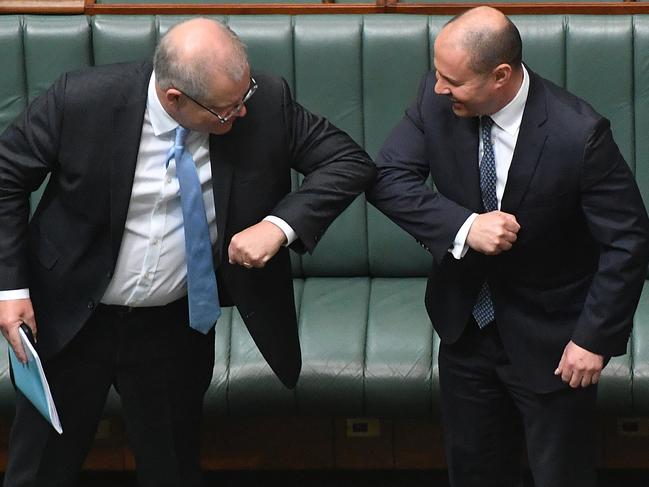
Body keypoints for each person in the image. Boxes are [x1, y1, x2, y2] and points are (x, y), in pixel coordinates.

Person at [0, 18, 375, 487]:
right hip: (68, 316)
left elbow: (349, 162)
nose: (240, 114)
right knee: (40, 471)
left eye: (245, 96)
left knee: (172, 470)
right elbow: (5, 178)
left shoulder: (263, 103)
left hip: (172, 328)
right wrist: (10, 288)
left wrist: (278, 226)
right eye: (225, 109)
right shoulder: (82, 99)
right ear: (173, 97)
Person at [367, 6, 649, 487]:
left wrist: (593, 339)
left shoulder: (578, 134)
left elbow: (627, 239)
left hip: (556, 344)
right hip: (465, 332)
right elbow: (387, 178)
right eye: (438, 75)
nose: (439, 88)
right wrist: (464, 225)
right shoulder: (435, 100)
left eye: (452, 80)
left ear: (500, 75)